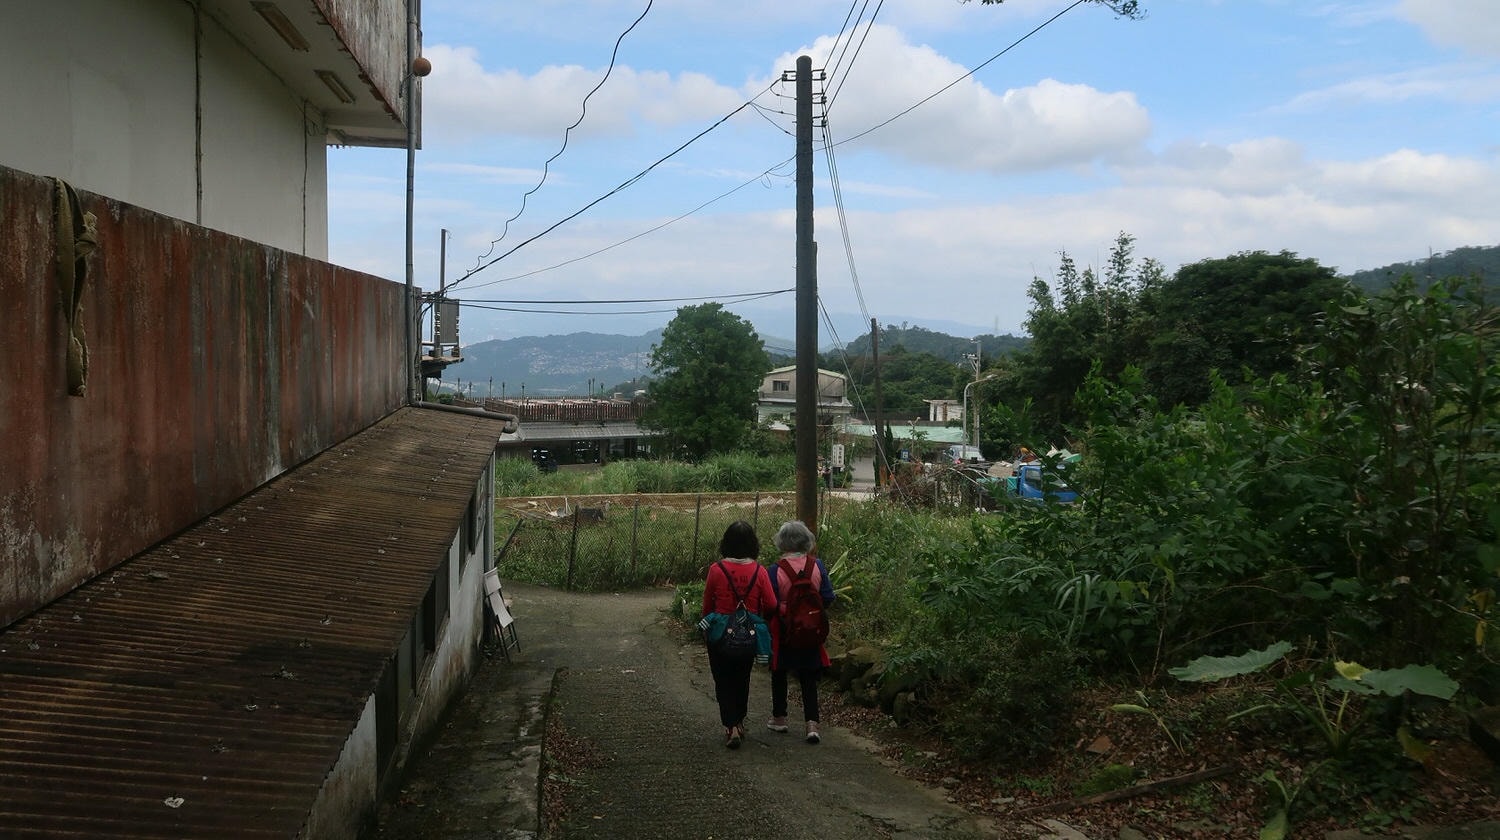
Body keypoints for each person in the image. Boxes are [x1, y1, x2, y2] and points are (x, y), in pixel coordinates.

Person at [700, 520, 776, 749]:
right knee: (742, 679)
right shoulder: (760, 571)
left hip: (720, 633)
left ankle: (730, 725)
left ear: (726, 543)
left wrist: (707, 629)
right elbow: (771, 604)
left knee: (722, 680)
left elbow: (707, 606)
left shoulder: (716, 570)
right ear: (753, 544)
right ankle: (739, 721)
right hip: (748, 633)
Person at [765, 520, 836, 744]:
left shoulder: (775, 570)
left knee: (779, 673)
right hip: (811, 631)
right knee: (808, 677)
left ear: (782, 542)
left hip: (785, 631)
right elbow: (828, 596)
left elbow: (770, 604)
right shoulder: (818, 566)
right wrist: (811, 615)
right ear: (807, 541)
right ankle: (812, 724)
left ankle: (780, 718)